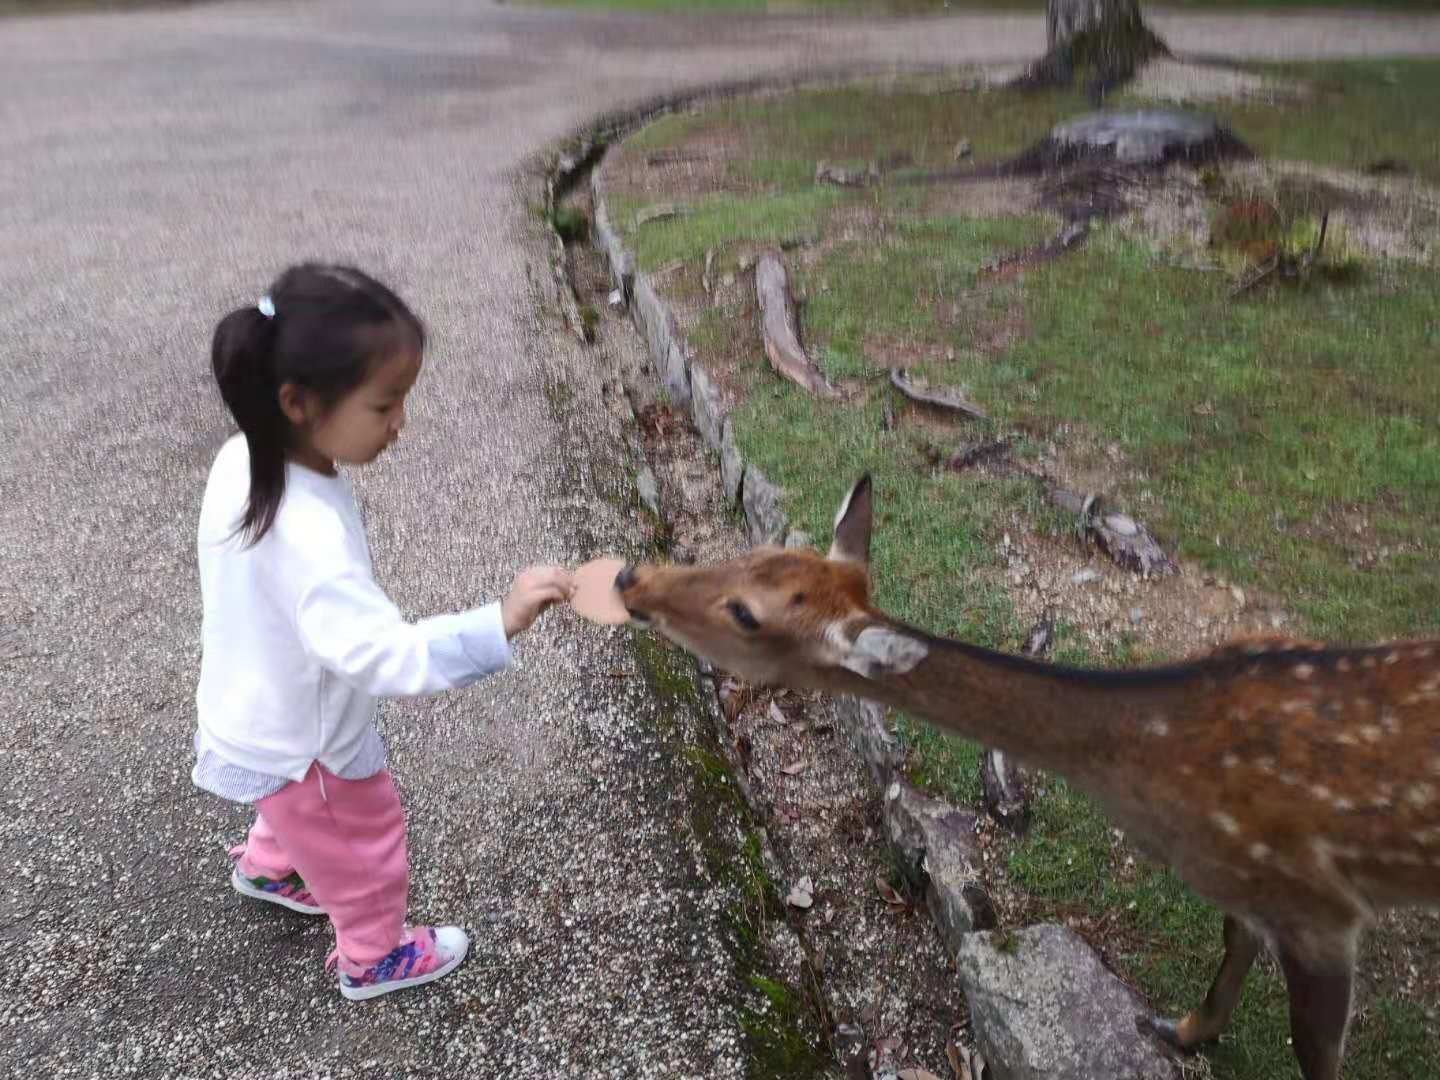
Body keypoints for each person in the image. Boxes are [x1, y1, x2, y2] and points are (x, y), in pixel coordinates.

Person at [193, 262, 573, 1000]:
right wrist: (500, 620)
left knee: (292, 807)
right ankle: (373, 953)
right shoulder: (312, 543)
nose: (401, 422)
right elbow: (388, 657)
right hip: (311, 743)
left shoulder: (240, 458)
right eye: (384, 404)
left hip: (249, 708)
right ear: (298, 402)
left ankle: (272, 865)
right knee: (365, 841)